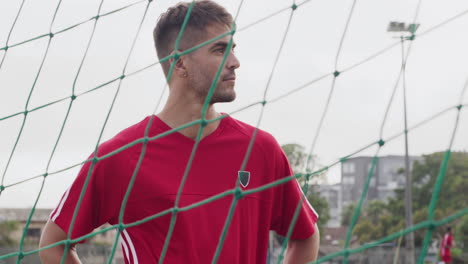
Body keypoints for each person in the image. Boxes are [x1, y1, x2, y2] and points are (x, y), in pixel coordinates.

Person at [39, 1, 319, 263]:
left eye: (233, 48)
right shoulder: (120, 156)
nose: (235, 61)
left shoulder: (261, 150)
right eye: (219, 50)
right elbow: (53, 243)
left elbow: (305, 236)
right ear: (180, 62)